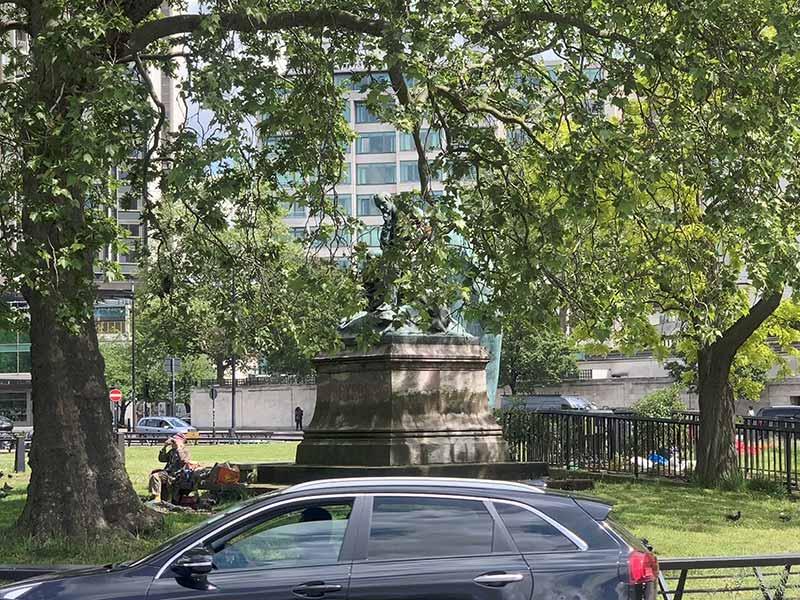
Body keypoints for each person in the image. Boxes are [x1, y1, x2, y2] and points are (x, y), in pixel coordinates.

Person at [148, 432, 192, 502]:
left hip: (177, 474)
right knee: (154, 475)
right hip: (168, 472)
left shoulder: (185, 451)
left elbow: (183, 461)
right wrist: (164, 447)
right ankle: (156, 496)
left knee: (155, 476)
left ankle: (157, 497)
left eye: (175, 441)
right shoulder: (172, 451)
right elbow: (162, 459)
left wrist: (178, 449)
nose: (173, 443)